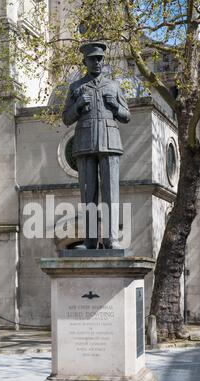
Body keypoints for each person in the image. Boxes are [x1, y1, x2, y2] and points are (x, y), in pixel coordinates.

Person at [62, 41, 130, 249]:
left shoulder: (114, 86)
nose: (97, 62)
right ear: (85, 61)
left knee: (111, 194)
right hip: (84, 144)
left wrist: (115, 106)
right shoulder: (76, 87)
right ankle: (91, 241)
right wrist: (78, 105)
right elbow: (66, 118)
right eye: (92, 59)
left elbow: (126, 116)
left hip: (109, 143)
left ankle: (112, 239)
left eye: (100, 58)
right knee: (88, 194)